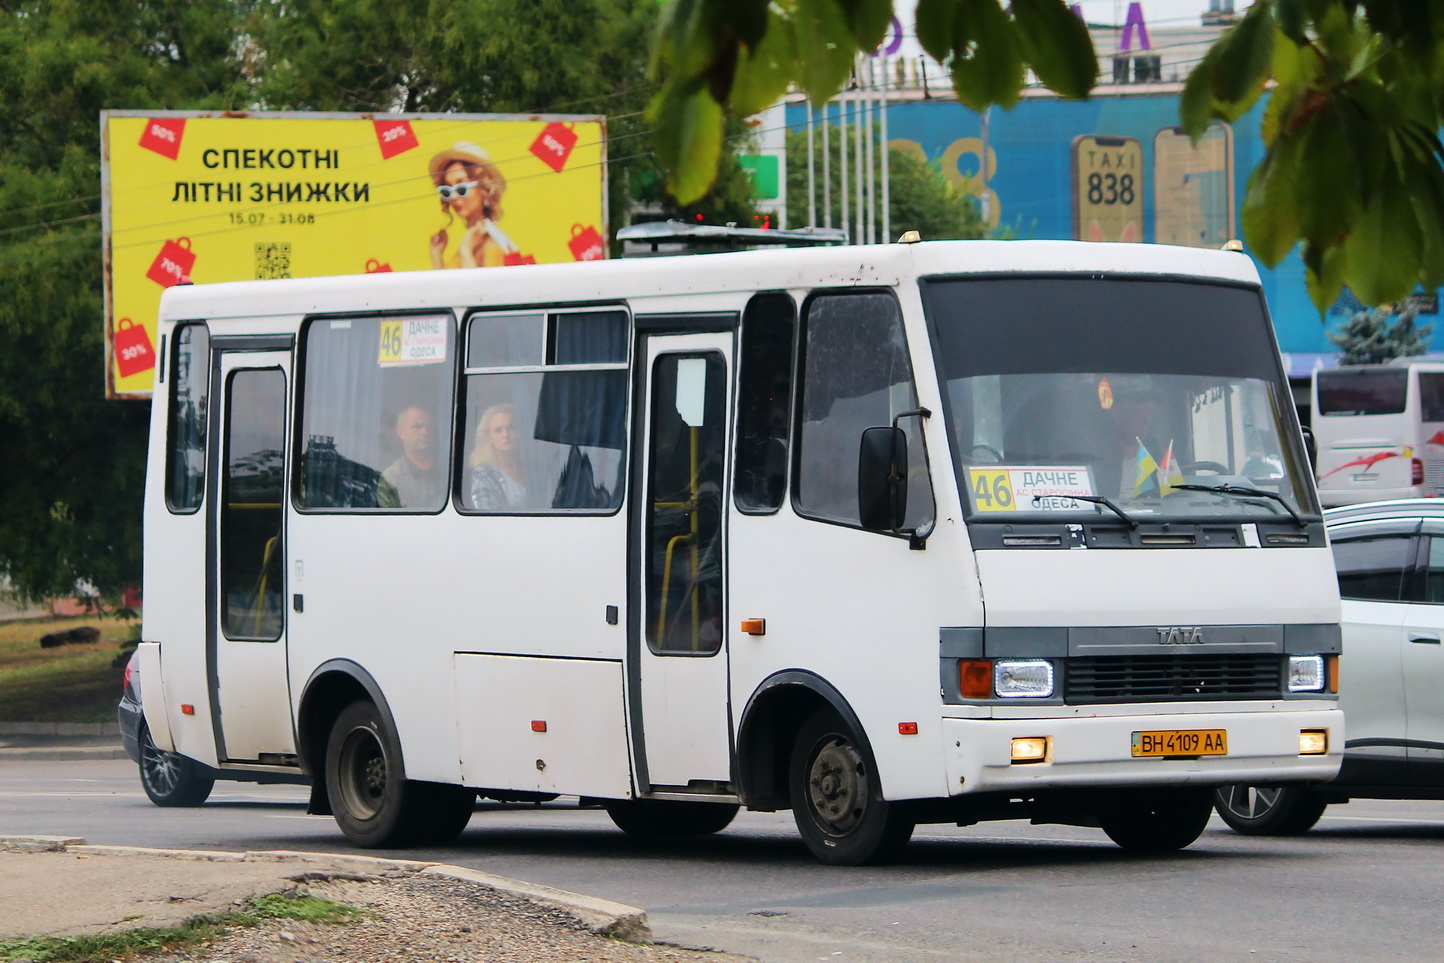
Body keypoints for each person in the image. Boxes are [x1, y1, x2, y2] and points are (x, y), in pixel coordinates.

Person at [427, 142, 518, 269]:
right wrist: (436, 255)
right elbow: (445, 287)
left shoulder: (491, 244)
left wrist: (466, 252)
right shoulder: (472, 240)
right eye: (447, 191)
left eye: (461, 189)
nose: (453, 197)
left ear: (484, 189)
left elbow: (482, 289)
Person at [377, 405, 442, 509]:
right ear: (400, 432)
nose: (425, 432)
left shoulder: (448, 472)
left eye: (429, 426)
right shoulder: (391, 478)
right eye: (417, 427)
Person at [468, 403, 529, 510]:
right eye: (498, 430)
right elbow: (489, 519)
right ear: (489, 436)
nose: (506, 435)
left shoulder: (533, 469)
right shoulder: (483, 475)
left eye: (511, 428)